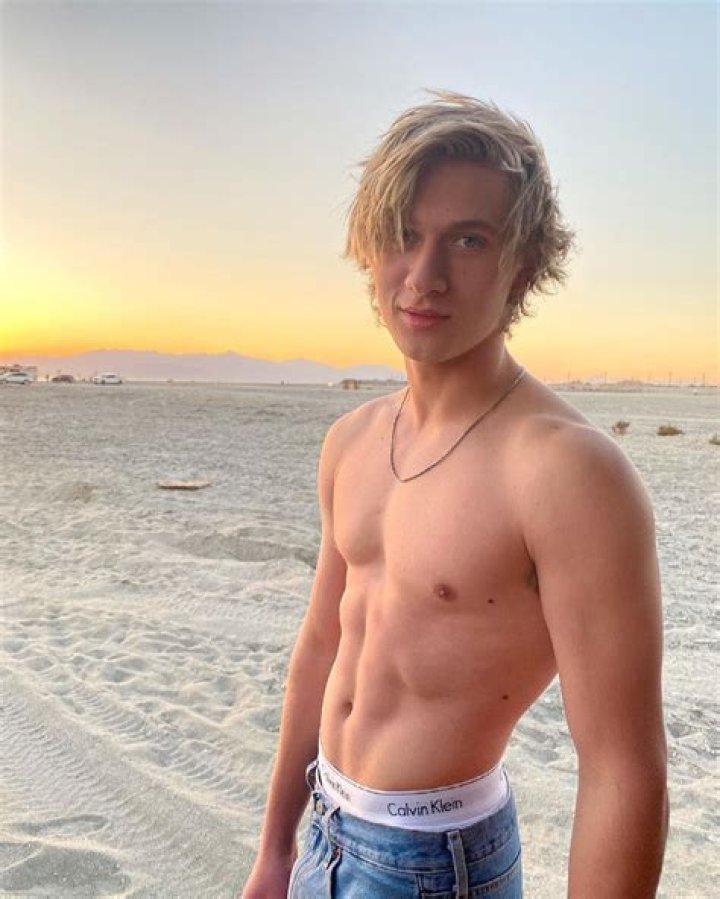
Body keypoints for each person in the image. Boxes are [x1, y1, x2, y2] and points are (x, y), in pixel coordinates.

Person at [242, 91, 667, 898]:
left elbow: (621, 765)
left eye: (468, 240)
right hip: (323, 832)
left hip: (435, 865)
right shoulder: (351, 440)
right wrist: (275, 847)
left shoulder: (567, 472)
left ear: (525, 266)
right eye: (402, 236)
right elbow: (323, 648)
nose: (423, 276)